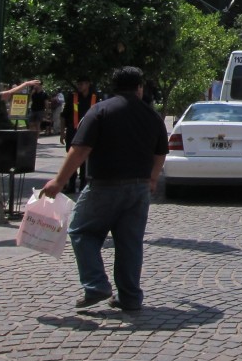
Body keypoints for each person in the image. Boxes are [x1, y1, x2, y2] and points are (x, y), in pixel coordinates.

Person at [41, 66, 168, 312]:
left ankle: (96, 284)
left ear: (115, 87)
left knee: (81, 230)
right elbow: (160, 153)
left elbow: (80, 149)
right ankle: (130, 297)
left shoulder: (100, 110)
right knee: (130, 242)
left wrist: (58, 182)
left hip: (104, 185)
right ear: (139, 88)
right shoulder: (152, 116)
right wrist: (152, 180)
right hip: (139, 188)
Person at [63, 77, 98, 194]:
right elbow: (64, 115)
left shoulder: (95, 97)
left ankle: (84, 183)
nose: (79, 86)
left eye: (82, 84)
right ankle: (71, 183)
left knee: (85, 157)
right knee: (71, 158)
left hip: (89, 132)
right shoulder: (72, 97)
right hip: (73, 132)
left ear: (88, 84)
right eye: (78, 84)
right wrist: (62, 133)